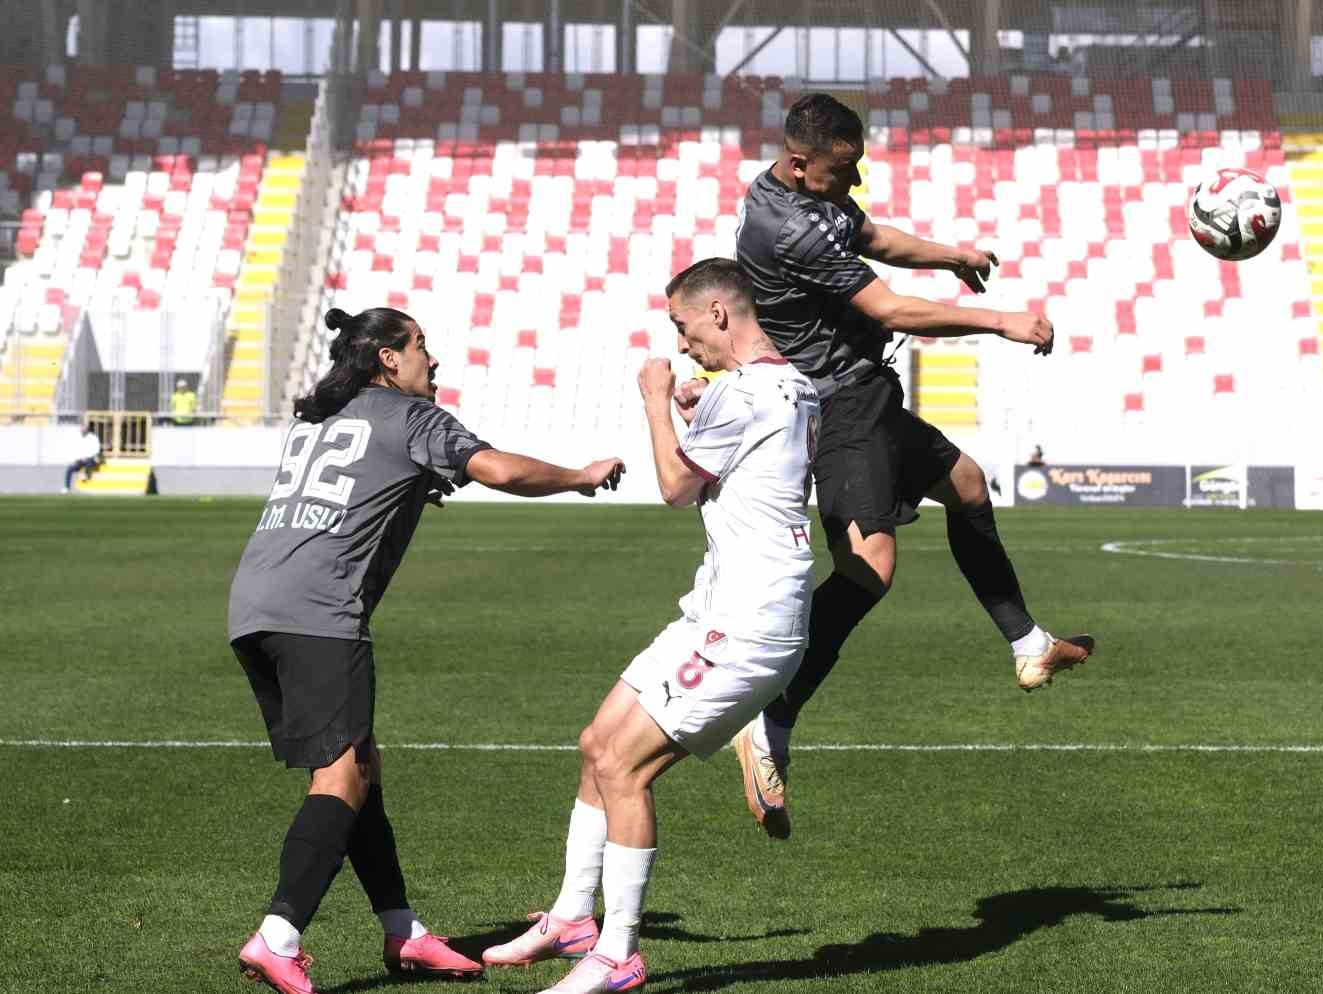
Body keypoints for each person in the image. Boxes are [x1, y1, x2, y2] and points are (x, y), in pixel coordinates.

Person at [722, 92, 1095, 836]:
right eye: (842, 170)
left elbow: (871, 236)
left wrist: (954, 253)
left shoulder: (809, 196)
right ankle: (773, 716)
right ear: (800, 164)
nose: (852, 183)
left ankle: (1027, 643)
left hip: (868, 394)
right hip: (835, 406)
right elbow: (889, 309)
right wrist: (1002, 321)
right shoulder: (784, 224)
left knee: (966, 483)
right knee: (871, 569)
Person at [230, 306, 625, 994]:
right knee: (342, 777)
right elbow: (497, 468)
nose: (431, 360)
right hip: (319, 615)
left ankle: (404, 930)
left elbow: (353, 489)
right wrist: (579, 476)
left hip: (254, 606)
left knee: (361, 768)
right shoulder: (411, 419)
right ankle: (278, 935)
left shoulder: (325, 418)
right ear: (387, 357)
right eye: (420, 347)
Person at [481, 260, 819, 994]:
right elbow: (744, 459)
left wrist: (658, 400)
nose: (682, 338)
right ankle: (573, 917)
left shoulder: (745, 391)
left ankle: (619, 953)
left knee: (623, 767)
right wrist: (704, 406)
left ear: (720, 313)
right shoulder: (793, 384)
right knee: (597, 744)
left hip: (746, 621)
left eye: (683, 324)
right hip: (724, 606)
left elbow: (674, 487)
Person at [62, 422, 102, 492]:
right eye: (82, 428)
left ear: (87, 429)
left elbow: (96, 450)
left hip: (90, 459)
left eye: (85, 428)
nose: (83, 429)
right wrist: (77, 459)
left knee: (89, 461)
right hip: (79, 460)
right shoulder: (76, 438)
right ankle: (66, 487)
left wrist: (87, 457)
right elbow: (75, 450)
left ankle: (85, 475)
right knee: (69, 469)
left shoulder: (93, 438)